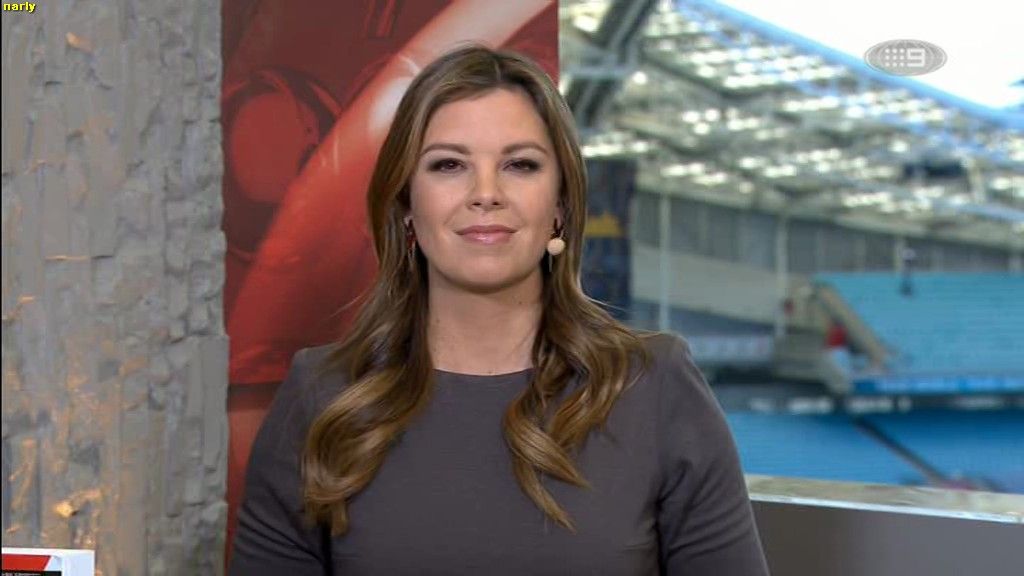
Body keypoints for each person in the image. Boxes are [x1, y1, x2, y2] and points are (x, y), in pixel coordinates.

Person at [229, 44, 770, 575]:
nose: (485, 193)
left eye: (519, 164)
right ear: (407, 207)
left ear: (560, 206)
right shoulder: (322, 395)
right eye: (448, 165)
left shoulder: (656, 386)